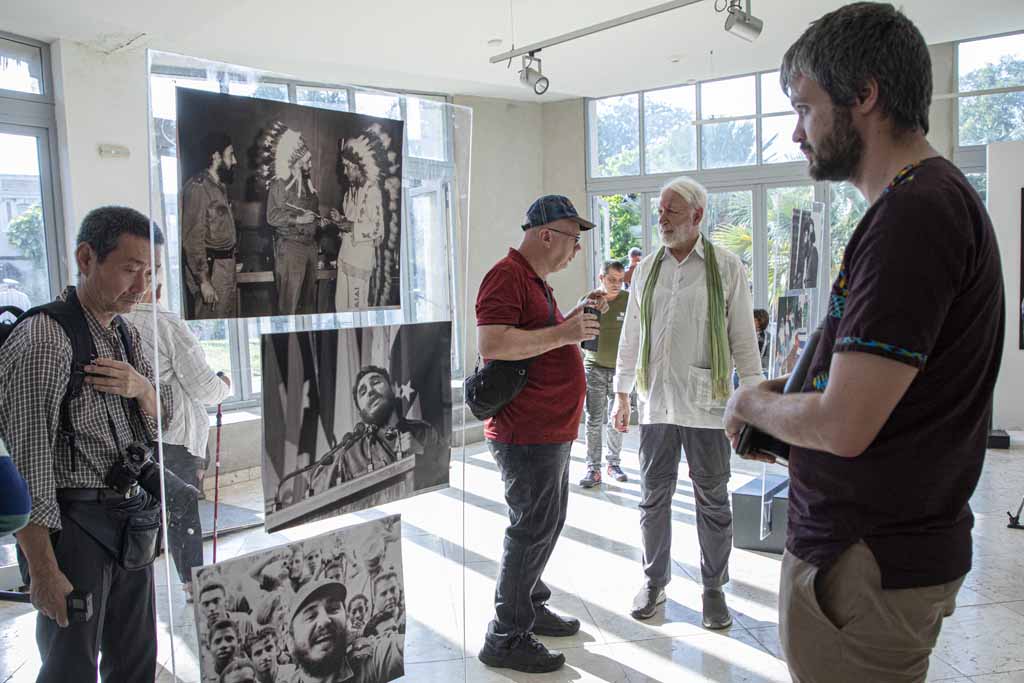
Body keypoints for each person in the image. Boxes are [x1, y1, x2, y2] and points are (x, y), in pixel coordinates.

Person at [723, 4, 1004, 682]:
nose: (796, 132)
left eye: (805, 106)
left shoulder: (914, 214)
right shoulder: (921, 204)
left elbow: (846, 422)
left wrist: (752, 404)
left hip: (866, 564)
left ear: (865, 95)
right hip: (872, 556)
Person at [0, 206, 172, 682]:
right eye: (131, 269)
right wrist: (43, 570)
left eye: (152, 272)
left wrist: (142, 388)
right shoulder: (44, 341)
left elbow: (167, 416)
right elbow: (27, 468)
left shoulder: (124, 334)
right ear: (86, 257)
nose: (143, 287)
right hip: (71, 532)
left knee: (136, 660)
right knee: (70, 668)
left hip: (128, 518)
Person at [612, 176, 762, 626]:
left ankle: (714, 588)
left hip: (708, 405)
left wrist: (753, 397)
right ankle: (654, 581)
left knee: (712, 499)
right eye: (660, 211)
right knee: (652, 496)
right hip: (655, 402)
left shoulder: (726, 266)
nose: (662, 218)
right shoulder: (646, 269)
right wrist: (621, 393)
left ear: (698, 216)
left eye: (671, 211)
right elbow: (631, 333)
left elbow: (741, 336)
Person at [474, 194, 603, 673]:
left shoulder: (536, 282)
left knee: (545, 525)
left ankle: (530, 601)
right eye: (574, 238)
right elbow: (493, 342)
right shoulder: (506, 276)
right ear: (547, 234)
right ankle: (506, 635)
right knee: (529, 531)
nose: (577, 250)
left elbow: (536, 338)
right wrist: (565, 334)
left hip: (548, 430)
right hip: (525, 433)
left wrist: (570, 318)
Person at [126, 278, 232, 602]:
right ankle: (193, 585)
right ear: (157, 286)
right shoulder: (165, 324)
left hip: (137, 435)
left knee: (150, 509)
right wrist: (225, 384)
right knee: (182, 510)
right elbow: (205, 388)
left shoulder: (117, 321)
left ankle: (149, 584)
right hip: (173, 436)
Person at [310, 365, 441, 507]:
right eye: (363, 391)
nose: (371, 391)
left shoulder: (425, 431)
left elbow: (446, 475)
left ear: (391, 388)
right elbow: (317, 495)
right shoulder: (348, 456)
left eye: (376, 382)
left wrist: (421, 453)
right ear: (360, 411)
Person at [261, 122, 327, 316]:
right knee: (288, 309)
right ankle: (285, 346)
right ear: (297, 161)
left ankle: (305, 346)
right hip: (290, 250)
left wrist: (318, 222)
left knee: (307, 310)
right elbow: (272, 217)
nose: (311, 165)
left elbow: (312, 216)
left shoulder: (309, 188)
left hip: (310, 250)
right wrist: (299, 220)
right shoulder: (279, 185)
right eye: (308, 161)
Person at [287, 579, 403, 683]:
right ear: (290, 643)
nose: (325, 620)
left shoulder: (371, 661)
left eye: (333, 609)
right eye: (310, 616)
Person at [580, 259, 630, 488]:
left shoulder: (628, 301)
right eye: (612, 280)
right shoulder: (589, 301)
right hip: (594, 368)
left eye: (620, 280)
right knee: (593, 419)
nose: (617, 285)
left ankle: (614, 463)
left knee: (616, 418)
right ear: (601, 278)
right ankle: (593, 468)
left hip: (621, 371)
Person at [182, 132, 238, 319]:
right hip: (211, 272)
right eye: (231, 154)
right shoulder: (198, 188)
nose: (235, 161)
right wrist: (204, 281)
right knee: (212, 327)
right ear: (216, 156)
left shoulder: (220, 188)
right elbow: (192, 239)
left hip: (225, 269)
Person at [330, 130, 387, 311]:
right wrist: (341, 221)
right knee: (341, 309)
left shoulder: (372, 191)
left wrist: (351, 226)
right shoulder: (349, 193)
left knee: (355, 312)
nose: (345, 173)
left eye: (347, 168)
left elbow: (378, 228)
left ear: (357, 167)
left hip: (360, 261)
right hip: (345, 257)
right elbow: (350, 222)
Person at [753, 308, 770, 376]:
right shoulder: (746, 333)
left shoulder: (767, 337)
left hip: (760, 371)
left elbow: (766, 361)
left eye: (755, 319)